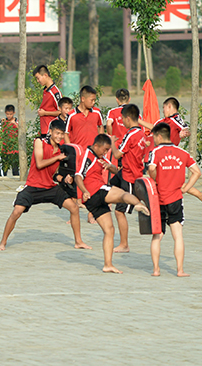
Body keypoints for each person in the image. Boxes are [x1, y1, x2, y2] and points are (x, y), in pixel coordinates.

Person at [0, 119, 92, 251]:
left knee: (74, 209)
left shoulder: (61, 150)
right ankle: (3, 242)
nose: (59, 136)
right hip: (33, 186)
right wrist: (57, 158)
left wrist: (64, 179)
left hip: (50, 188)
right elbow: (40, 163)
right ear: (50, 132)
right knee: (16, 212)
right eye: (57, 133)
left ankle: (78, 241)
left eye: (61, 134)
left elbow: (53, 175)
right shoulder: (39, 142)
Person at [74, 134, 149, 274]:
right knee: (122, 194)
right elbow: (78, 176)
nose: (105, 152)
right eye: (104, 149)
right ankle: (139, 204)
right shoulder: (88, 155)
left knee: (109, 230)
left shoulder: (100, 157)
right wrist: (84, 191)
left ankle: (107, 264)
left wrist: (109, 166)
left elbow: (116, 171)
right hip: (94, 191)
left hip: (94, 200)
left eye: (107, 150)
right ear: (96, 145)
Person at [139, 97, 202, 210]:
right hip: (158, 156)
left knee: (163, 182)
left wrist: (183, 133)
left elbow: (185, 129)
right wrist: (139, 122)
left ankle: (153, 206)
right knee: (167, 183)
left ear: (169, 106)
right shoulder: (163, 121)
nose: (163, 110)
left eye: (163, 107)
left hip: (166, 156)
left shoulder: (175, 119)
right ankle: (199, 195)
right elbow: (154, 127)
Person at [148, 123, 201, 277]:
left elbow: (151, 169)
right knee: (178, 236)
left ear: (158, 136)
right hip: (176, 199)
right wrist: (185, 188)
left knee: (157, 236)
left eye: (154, 137)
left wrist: (156, 179)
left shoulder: (155, 152)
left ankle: (156, 270)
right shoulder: (182, 153)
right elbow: (197, 172)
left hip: (159, 198)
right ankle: (180, 270)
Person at [110, 104, 147, 253]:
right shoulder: (142, 133)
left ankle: (124, 244)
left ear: (128, 118)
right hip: (125, 172)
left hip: (130, 176)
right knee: (108, 187)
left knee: (120, 211)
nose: (122, 122)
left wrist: (112, 142)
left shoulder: (131, 134)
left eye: (122, 119)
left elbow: (118, 154)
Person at [65, 86, 104, 223]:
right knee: (76, 183)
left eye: (95, 100)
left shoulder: (97, 113)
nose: (93, 102)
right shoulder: (71, 115)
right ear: (83, 99)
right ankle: (73, 214)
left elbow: (101, 127)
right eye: (91, 100)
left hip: (93, 155)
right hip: (78, 155)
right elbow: (66, 133)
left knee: (94, 183)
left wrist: (101, 148)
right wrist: (71, 150)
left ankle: (92, 214)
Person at [33, 65, 62, 136]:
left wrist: (45, 113)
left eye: (38, 78)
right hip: (44, 129)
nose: (38, 81)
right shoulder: (45, 90)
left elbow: (61, 112)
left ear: (45, 75)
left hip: (51, 131)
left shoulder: (55, 92)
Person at [3, 104, 19, 176]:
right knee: (4, 170)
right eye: (7, 114)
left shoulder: (17, 121)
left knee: (15, 169)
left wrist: (15, 124)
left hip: (14, 150)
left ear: (14, 113)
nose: (9, 116)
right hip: (5, 149)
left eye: (10, 114)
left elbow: (22, 131)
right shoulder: (3, 122)